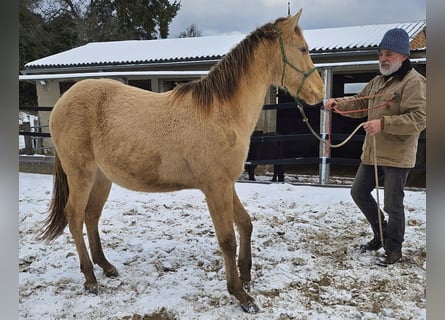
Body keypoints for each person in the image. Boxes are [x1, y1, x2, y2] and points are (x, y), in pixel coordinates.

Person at [324, 28, 426, 266]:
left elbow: (420, 118)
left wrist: (383, 124)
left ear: (403, 55)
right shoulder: (378, 82)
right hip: (373, 152)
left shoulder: (414, 83)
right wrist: (339, 104)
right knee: (359, 192)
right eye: (381, 53)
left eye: (388, 53)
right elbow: (360, 102)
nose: (383, 58)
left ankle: (393, 249)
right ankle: (380, 234)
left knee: (392, 204)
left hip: (397, 154)